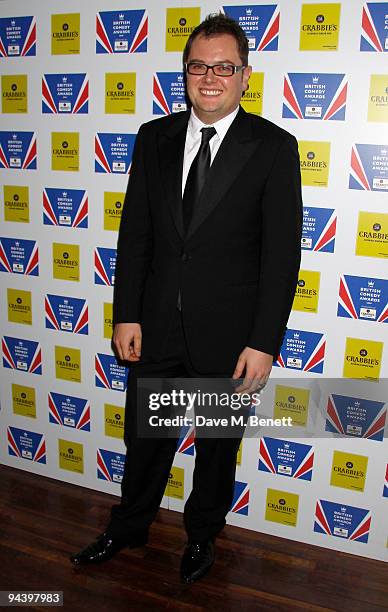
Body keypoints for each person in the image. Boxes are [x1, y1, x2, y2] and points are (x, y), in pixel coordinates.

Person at [70, 13, 302, 583]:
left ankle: (202, 538)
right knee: (145, 442)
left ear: (245, 75)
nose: (210, 77)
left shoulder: (274, 147)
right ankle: (129, 528)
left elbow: (281, 260)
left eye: (224, 67)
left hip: (230, 338)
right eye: (199, 65)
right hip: (155, 329)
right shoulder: (155, 138)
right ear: (186, 73)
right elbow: (137, 235)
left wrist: (263, 343)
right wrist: (126, 313)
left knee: (218, 451)